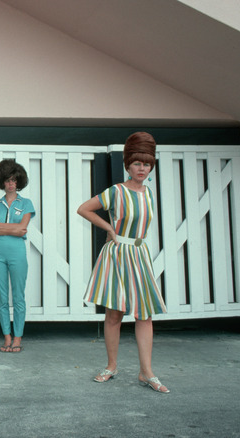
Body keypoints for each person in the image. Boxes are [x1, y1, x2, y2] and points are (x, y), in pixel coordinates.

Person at [77, 132, 170, 393]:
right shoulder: (116, 191)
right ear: (128, 164)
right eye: (137, 163)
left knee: (145, 314)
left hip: (140, 256)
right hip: (117, 255)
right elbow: (84, 208)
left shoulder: (149, 194)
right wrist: (108, 227)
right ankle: (111, 366)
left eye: (147, 164)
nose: (142, 169)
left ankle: (146, 372)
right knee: (114, 313)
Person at [0, 159, 35, 353]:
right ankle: (6, 336)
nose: (11, 184)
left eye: (14, 180)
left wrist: (0, 226)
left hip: (17, 252)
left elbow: (22, 229)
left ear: (19, 181)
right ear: (2, 182)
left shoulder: (26, 203)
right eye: (7, 180)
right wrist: (9, 228)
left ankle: (17, 338)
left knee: (18, 296)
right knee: (1, 295)